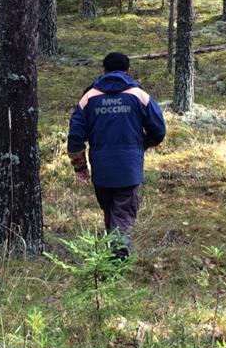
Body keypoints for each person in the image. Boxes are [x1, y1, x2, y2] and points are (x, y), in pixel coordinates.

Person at [67, 52, 167, 258]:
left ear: (104, 70)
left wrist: (80, 166)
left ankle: (112, 255)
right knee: (122, 211)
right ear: (127, 71)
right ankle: (118, 253)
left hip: (101, 168)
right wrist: (142, 145)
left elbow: (75, 135)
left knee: (110, 209)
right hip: (129, 167)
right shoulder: (139, 96)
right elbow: (159, 131)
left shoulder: (89, 98)